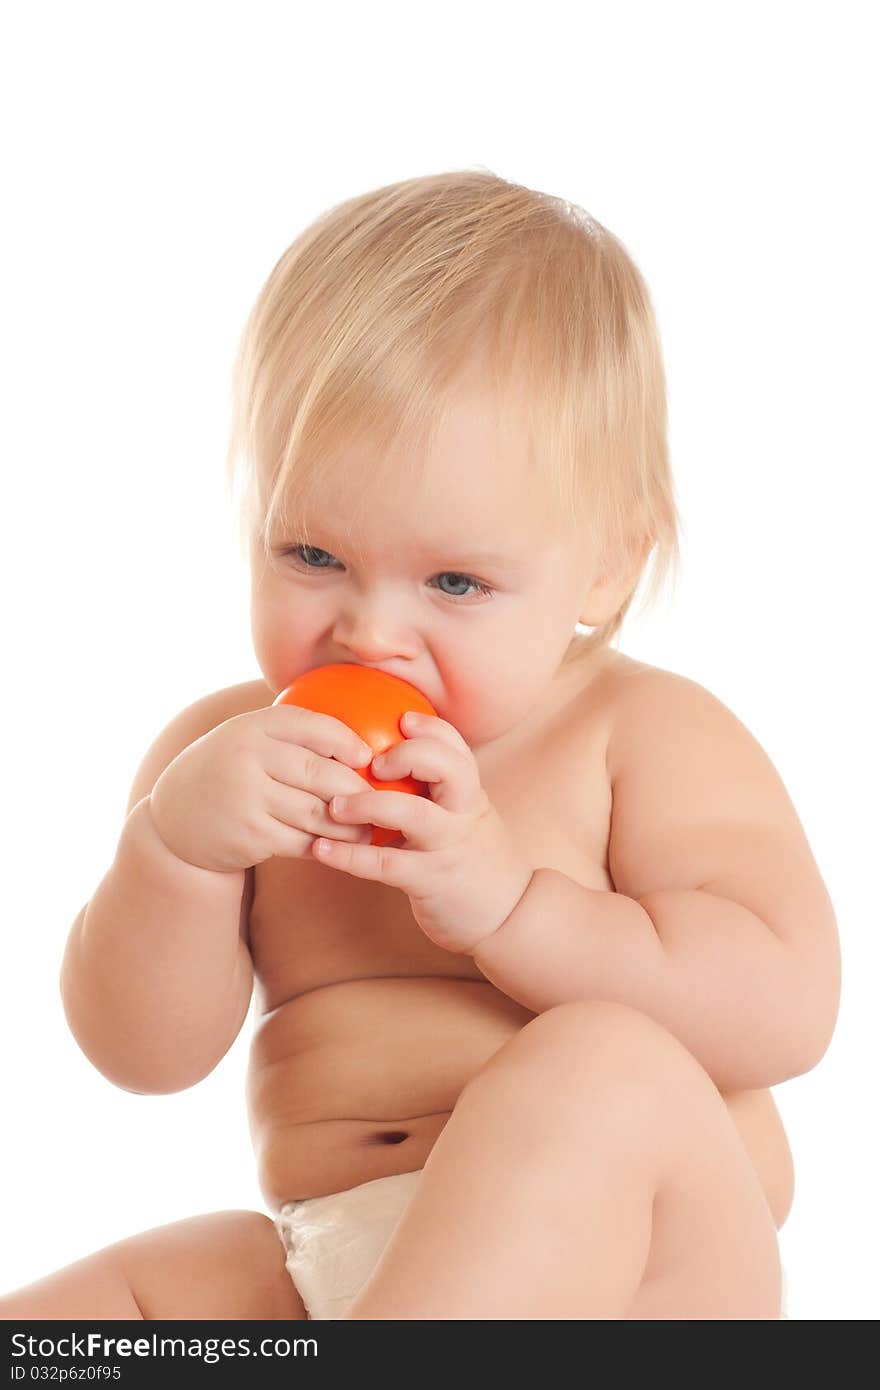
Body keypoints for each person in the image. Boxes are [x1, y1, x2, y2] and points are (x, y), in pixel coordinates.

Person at [0, 169, 839, 1320]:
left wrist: (509, 906)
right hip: (338, 1264)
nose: (368, 631)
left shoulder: (637, 736)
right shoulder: (227, 760)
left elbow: (787, 1006)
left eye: (454, 581)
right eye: (310, 556)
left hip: (628, 1268)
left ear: (603, 568)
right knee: (86, 1325)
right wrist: (175, 856)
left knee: (604, 1066)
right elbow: (141, 1056)